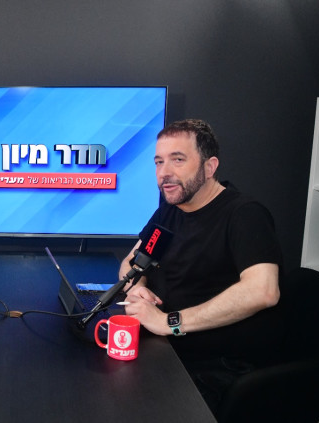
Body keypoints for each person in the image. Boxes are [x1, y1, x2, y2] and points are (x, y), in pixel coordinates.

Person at [119, 119, 283, 413]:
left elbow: (263, 291)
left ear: (210, 167)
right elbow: (132, 262)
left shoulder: (244, 215)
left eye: (178, 160)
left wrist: (168, 322)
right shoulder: (170, 210)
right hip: (167, 350)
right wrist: (137, 288)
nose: (164, 173)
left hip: (216, 368)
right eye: (158, 162)